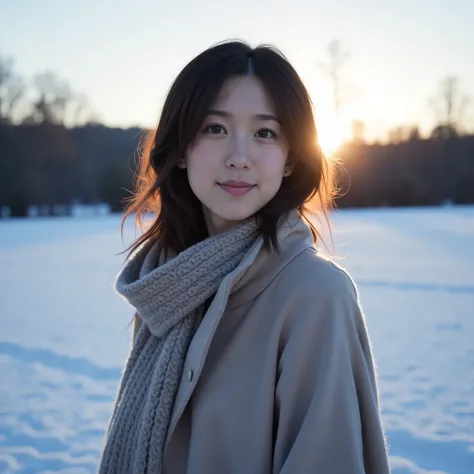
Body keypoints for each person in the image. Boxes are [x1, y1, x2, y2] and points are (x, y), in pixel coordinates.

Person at [98, 40, 390, 474]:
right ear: (181, 149)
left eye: (264, 133)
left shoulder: (314, 296)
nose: (239, 158)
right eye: (214, 129)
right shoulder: (168, 286)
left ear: (291, 159)